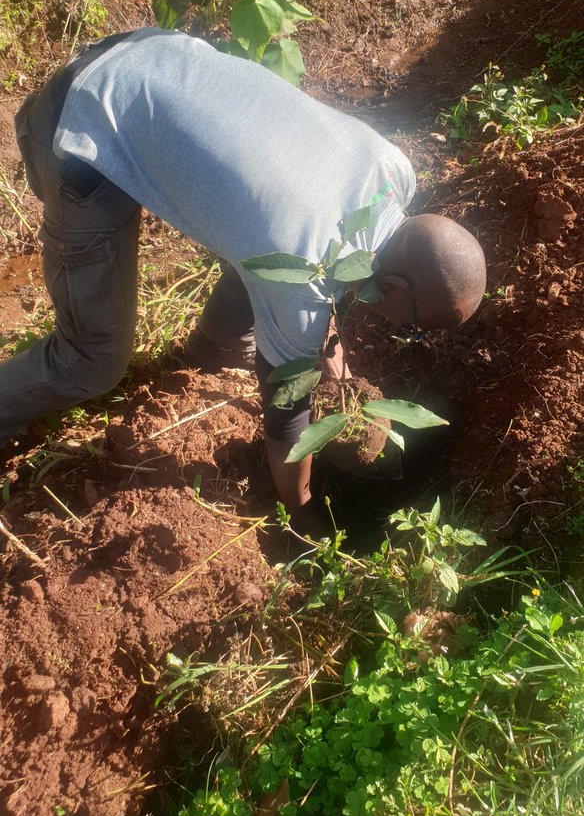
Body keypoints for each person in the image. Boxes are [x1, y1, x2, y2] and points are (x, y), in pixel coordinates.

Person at [0, 29, 486, 522]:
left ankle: (215, 348)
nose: (404, 333)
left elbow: (315, 261)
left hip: (151, 55)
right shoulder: (301, 279)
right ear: (398, 288)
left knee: (265, 259)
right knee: (90, 359)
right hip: (81, 122)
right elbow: (287, 428)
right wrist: (302, 515)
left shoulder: (392, 172)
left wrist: (342, 385)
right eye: (413, 326)